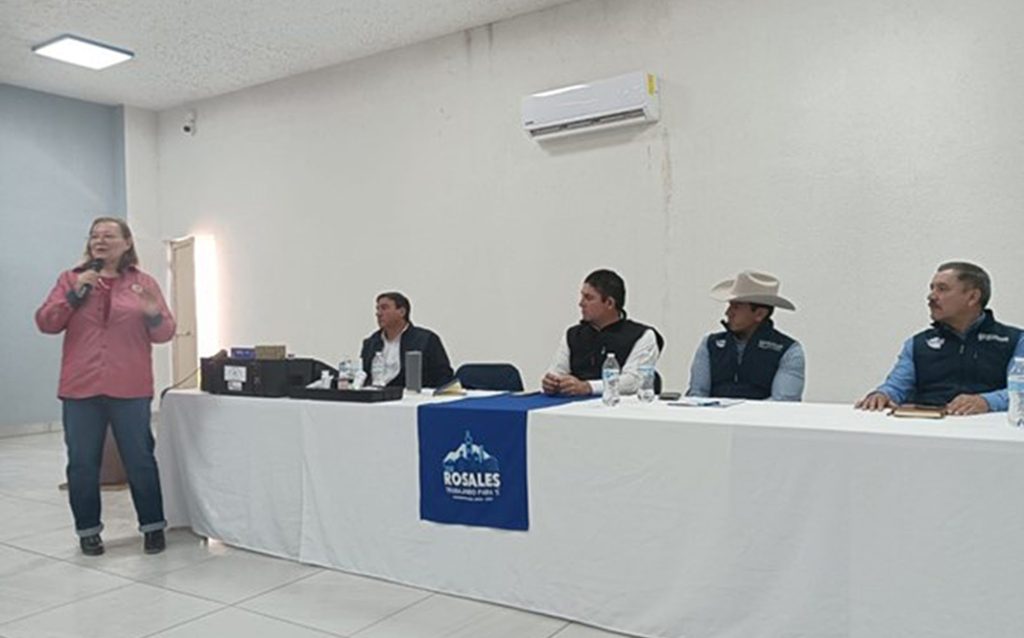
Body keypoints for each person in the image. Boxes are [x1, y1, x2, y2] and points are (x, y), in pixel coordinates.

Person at [35, 217, 175, 556]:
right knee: (82, 463)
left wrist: (153, 312)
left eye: (109, 235)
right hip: (81, 387)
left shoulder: (143, 283)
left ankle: (153, 527)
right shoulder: (71, 279)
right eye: (95, 236)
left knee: (140, 459)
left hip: (130, 385)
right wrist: (74, 295)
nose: (100, 241)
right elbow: (46, 322)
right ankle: (88, 531)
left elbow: (165, 333)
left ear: (126, 243)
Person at [855, 261, 1024, 415]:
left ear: (972, 297)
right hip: (928, 429)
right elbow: (896, 387)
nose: (931, 296)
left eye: (942, 289)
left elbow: (1020, 391)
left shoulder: (1015, 340)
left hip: (988, 429)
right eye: (932, 288)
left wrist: (987, 402)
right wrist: (881, 395)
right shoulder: (918, 344)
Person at [687, 270, 805, 401]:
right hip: (716, 414)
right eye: (730, 306)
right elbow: (697, 395)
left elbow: (782, 402)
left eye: (736, 307)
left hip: (757, 416)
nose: (728, 313)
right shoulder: (710, 344)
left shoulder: (788, 351)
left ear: (759, 314)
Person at [542, 269, 663, 396]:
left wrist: (588, 387)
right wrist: (551, 382)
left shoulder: (642, 336)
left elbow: (632, 382)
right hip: (573, 403)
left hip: (619, 405)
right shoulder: (573, 335)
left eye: (588, 298)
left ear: (609, 303)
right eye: (582, 296)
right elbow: (558, 371)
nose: (581, 303)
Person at [360, 292, 454, 388]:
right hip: (375, 394)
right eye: (377, 309)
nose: (378, 313)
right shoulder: (371, 343)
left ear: (402, 312)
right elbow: (362, 375)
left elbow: (443, 375)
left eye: (384, 308)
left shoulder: (426, 340)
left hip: (411, 394)